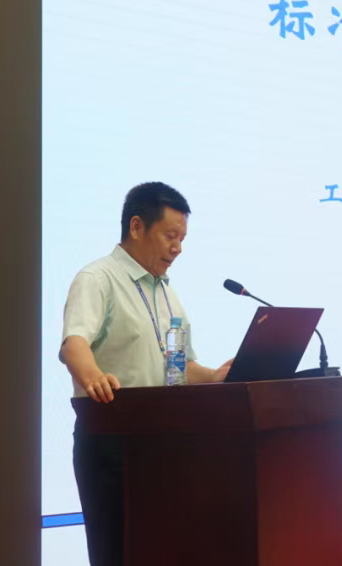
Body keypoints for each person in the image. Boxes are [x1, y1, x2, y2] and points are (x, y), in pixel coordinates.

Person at [59, 182, 231, 566]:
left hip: (163, 443)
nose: (178, 248)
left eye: (183, 239)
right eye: (170, 236)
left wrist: (215, 376)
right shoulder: (98, 278)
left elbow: (179, 366)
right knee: (116, 553)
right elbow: (74, 344)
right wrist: (93, 376)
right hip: (112, 441)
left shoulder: (167, 292)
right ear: (136, 226)